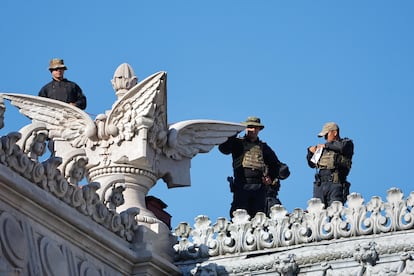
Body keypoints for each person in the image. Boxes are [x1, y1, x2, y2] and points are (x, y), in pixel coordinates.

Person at [219, 116, 290, 218]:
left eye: (255, 128)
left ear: (259, 130)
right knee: (239, 214)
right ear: (246, 128)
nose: (252, 130)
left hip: (259, 187)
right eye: (250, 127)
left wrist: (271, 177)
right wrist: (234, 133)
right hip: (242, 185)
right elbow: (224, 149)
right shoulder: (237, 143)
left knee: (258, 216)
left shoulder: (263, 147)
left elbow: (275, 164)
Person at [306, 122, 354, 207]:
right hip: (320, 186)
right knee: (316, 214)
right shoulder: (323, 148)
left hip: (336, 185)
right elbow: (312, 164)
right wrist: (310, 152)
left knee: (335, 213)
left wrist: (325, 145)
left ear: (335, 133)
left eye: (326, 134)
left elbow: (341, 147)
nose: (325, 138)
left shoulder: (346, 143)